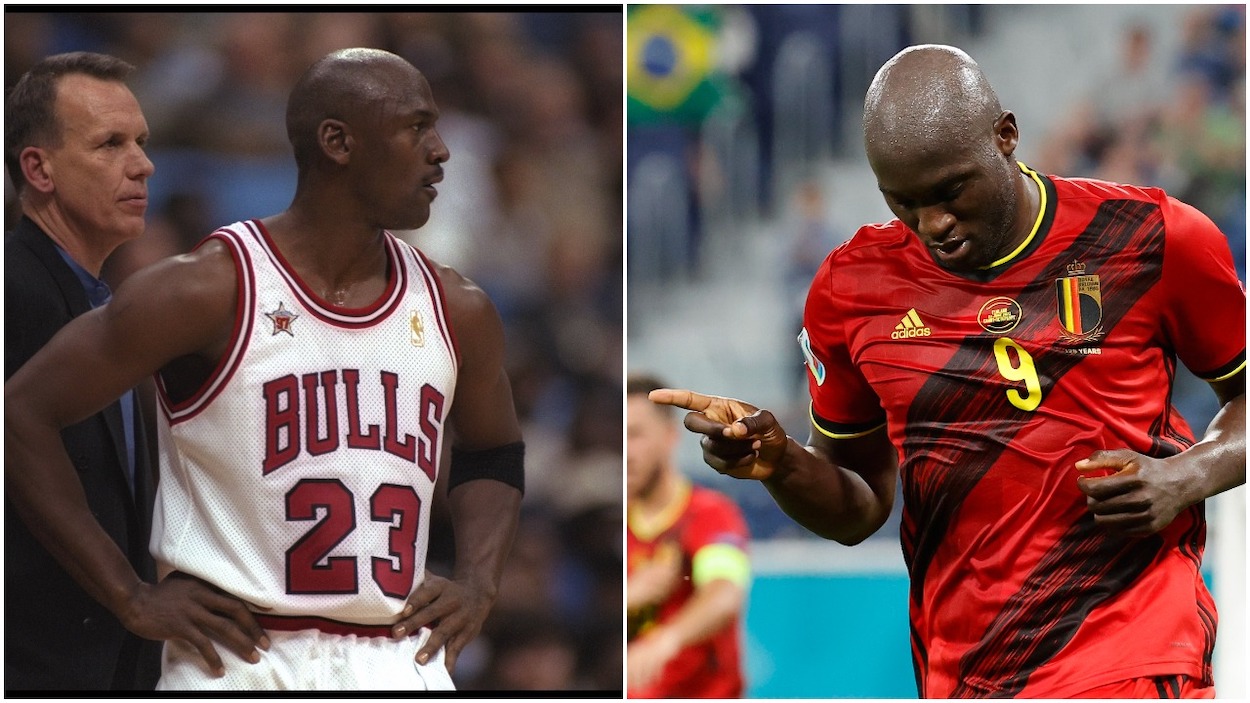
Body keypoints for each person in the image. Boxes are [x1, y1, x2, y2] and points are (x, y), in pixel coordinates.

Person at [651, 44, 1245, 699]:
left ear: (1006, 136)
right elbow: (858, 505)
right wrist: (781, 463)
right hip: (965, 672)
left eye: (951, 190)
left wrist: (1182, 476)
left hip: (1132, 648)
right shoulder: (853, 288)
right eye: (903, 201)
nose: (934, 224)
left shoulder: (1150, 237)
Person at [5, 47, 525, 691]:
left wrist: (479, 580)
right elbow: (19, 414)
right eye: (417, 127)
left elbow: (496, 451)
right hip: (238, 659)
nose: (441, 150)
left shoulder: (459, 307)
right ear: (338, 142)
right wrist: (129, 594)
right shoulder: (208, 288)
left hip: (395, 660)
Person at [3, 51, 162, 691]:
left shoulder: (100, 299)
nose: (143, 163)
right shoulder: (15, 294)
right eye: (110, 144)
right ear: (37, 169)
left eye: (142, 142)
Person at [627, 373, 750, 698]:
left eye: (635, 435)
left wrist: (669, 638)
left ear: (669, 436)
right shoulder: (606, 525)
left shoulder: (710, 514)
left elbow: (724, 594)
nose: (625, 453)